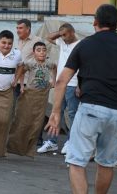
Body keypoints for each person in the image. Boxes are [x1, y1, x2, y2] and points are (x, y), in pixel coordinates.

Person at [46, 4, 117, 194]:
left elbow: (61, 81)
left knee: (76, 161)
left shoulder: (85, 44)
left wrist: (56, 112)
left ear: (95, 22)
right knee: (107, 163)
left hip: (91, 108)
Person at [7, 42, 56, 157]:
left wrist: (54, 80)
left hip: (42, 95)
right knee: (24, 119)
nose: (42, 52)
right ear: (34, 52)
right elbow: (22, 71)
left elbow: (55, 67)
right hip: (30, 94)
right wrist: (21, 85)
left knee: (37, 122)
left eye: (44, 50)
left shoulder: (49, 63)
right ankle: (14, 145)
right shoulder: (30, 63)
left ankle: (29, 148)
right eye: (39, 50)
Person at [37, 23, 80, 154]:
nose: (64, 38)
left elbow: (84, 66)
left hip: (73, 83)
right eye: (62, 35)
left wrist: (80, 85)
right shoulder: (62, 42)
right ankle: (52, 142)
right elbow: (49, 37)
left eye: (66, 34)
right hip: (61, 84)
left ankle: (71, 142)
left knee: (72, 114)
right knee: (56, 113)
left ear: (72, 32)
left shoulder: (80, 45)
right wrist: (60, 33)